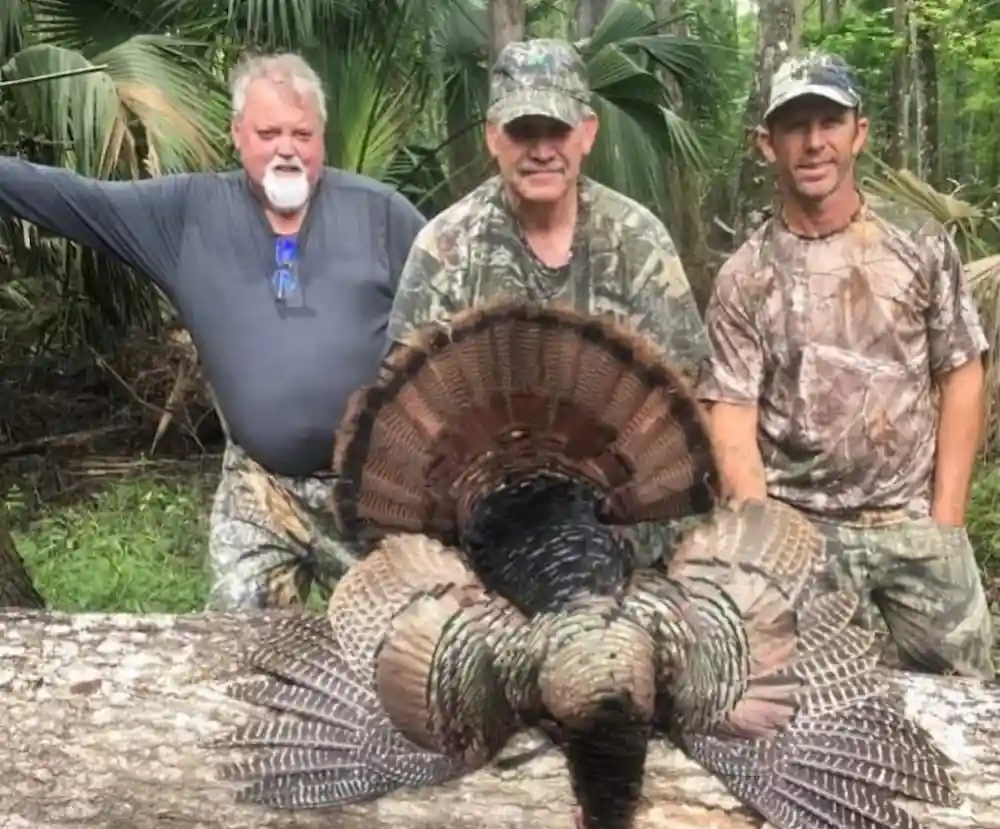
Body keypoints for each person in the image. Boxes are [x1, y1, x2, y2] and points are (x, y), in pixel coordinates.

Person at [0, 52, 427, 611]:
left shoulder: (384, 216)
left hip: (375, 489)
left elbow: (457, 328)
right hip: (260, 488)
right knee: (240, 643)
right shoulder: (185, 215)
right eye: (268, 133)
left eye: (302, 134)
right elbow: (74, 199)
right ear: (237, 134)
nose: (287, 148)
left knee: (412, 639)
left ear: (322, 137)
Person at [697, 50, 995, 679]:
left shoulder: (919, 243)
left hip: (911, 518)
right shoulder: (744, 277)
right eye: (795, 126)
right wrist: (763, 543)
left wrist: (946, 520)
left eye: (829, 122)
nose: (814, 143)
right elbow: (731, 419)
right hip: (800, 528)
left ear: (858, 133)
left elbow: (961, 373)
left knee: (969, 704)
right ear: (767, 144)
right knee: (801, 715)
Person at [385, 38, 710, 565]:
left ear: (588, 133)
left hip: (621, 518)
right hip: (482, 525)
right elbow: (411, 414)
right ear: (493, 136)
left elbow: (684, 396)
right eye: (522, 131)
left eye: (556, 130)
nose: (541, 151)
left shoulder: (638, 241)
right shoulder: (446, 247)